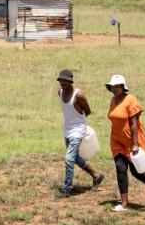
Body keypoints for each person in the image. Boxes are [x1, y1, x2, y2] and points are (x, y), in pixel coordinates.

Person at [106, 74, 145, 211]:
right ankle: (124, 204)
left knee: (136, 172)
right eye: (113, 86)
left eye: (117, 86)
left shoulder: (131, 100)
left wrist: (135, 144)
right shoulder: (113, 100)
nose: (115, 89)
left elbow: (134, 123)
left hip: (132, 139)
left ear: (123, 87)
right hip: (117, 139)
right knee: (120, 169)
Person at [56, 69, 104, 197]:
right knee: (75, 157)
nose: (63, 83)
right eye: (61, 80)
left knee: (69, 158)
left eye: (66, 81)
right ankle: (96, 175)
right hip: (67, 129)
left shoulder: (79, 95)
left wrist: (78, 124)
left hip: (78, 130)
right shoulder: (60, 92)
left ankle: (67, 189)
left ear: (70, 81)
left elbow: (87, 111)